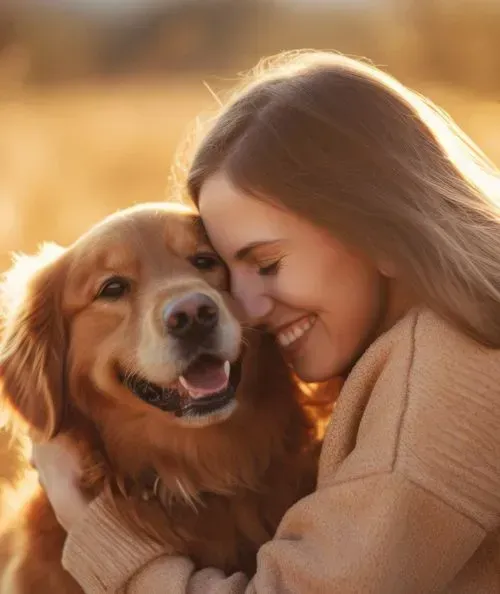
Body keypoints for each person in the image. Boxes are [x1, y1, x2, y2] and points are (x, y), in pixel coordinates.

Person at [32, 51, 500, 593]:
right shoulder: (430, 346)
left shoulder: (435, 393)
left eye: (268, 263)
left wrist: (96, 532)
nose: (244, 307)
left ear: (383, 236)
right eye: (226, 267)